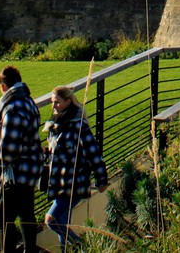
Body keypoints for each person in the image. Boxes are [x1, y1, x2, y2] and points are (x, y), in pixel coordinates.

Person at [0, 65, 45, 253]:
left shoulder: (13, 107)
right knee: (26, 214)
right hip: (31, 166)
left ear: (2, 86)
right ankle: (30, 249)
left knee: (3, 218)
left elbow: (10, 147)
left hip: (17, 170)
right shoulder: (28, 101)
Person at [41, 85, 109, 250]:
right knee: (63, 223)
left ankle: (83, 246)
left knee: (52, 220)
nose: (53, 106)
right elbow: (53, 153)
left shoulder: (78, 126)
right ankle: (68, 249)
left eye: (57, 102)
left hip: (73, 183)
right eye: (52, 102)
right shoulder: (55, 125)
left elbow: (93, 153)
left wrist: (102, 179)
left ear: (68, 102)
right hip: (58, 182)